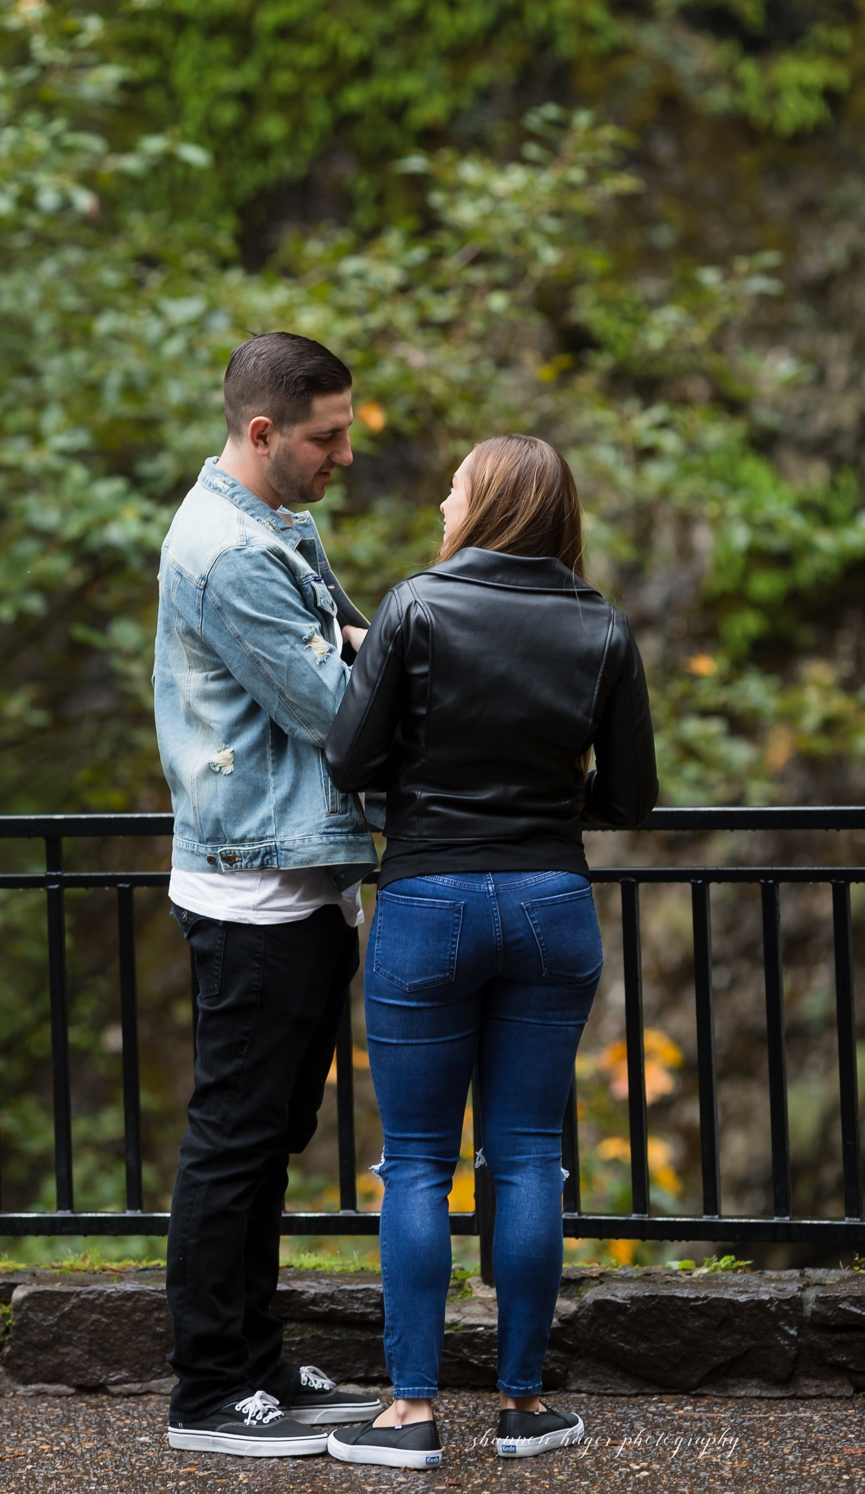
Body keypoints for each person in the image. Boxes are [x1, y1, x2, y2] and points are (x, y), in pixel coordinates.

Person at [322, 435, 656, 1469]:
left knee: (416, 1161)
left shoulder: (413, 607)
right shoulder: (599, 625)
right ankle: (521, 1407)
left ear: (490, 505)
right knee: (525, 1158)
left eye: (454, 487)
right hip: (549, 901)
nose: (439, 500)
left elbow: (348, 755)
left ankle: (410, 1414)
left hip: (428, 898)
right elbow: (631, 796)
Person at [153, 332, 386, 1457]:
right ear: (262, 433)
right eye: (324, 437)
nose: (343, 454)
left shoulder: (273, 522)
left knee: (265, 1137)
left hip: (298, 882)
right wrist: (356, 652)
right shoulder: (229, 552)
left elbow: (349, 647)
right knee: (235, 1141)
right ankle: (209, 1391)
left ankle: (252, 1360)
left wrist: (350, 644)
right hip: (254, 893)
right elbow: (342, 710)